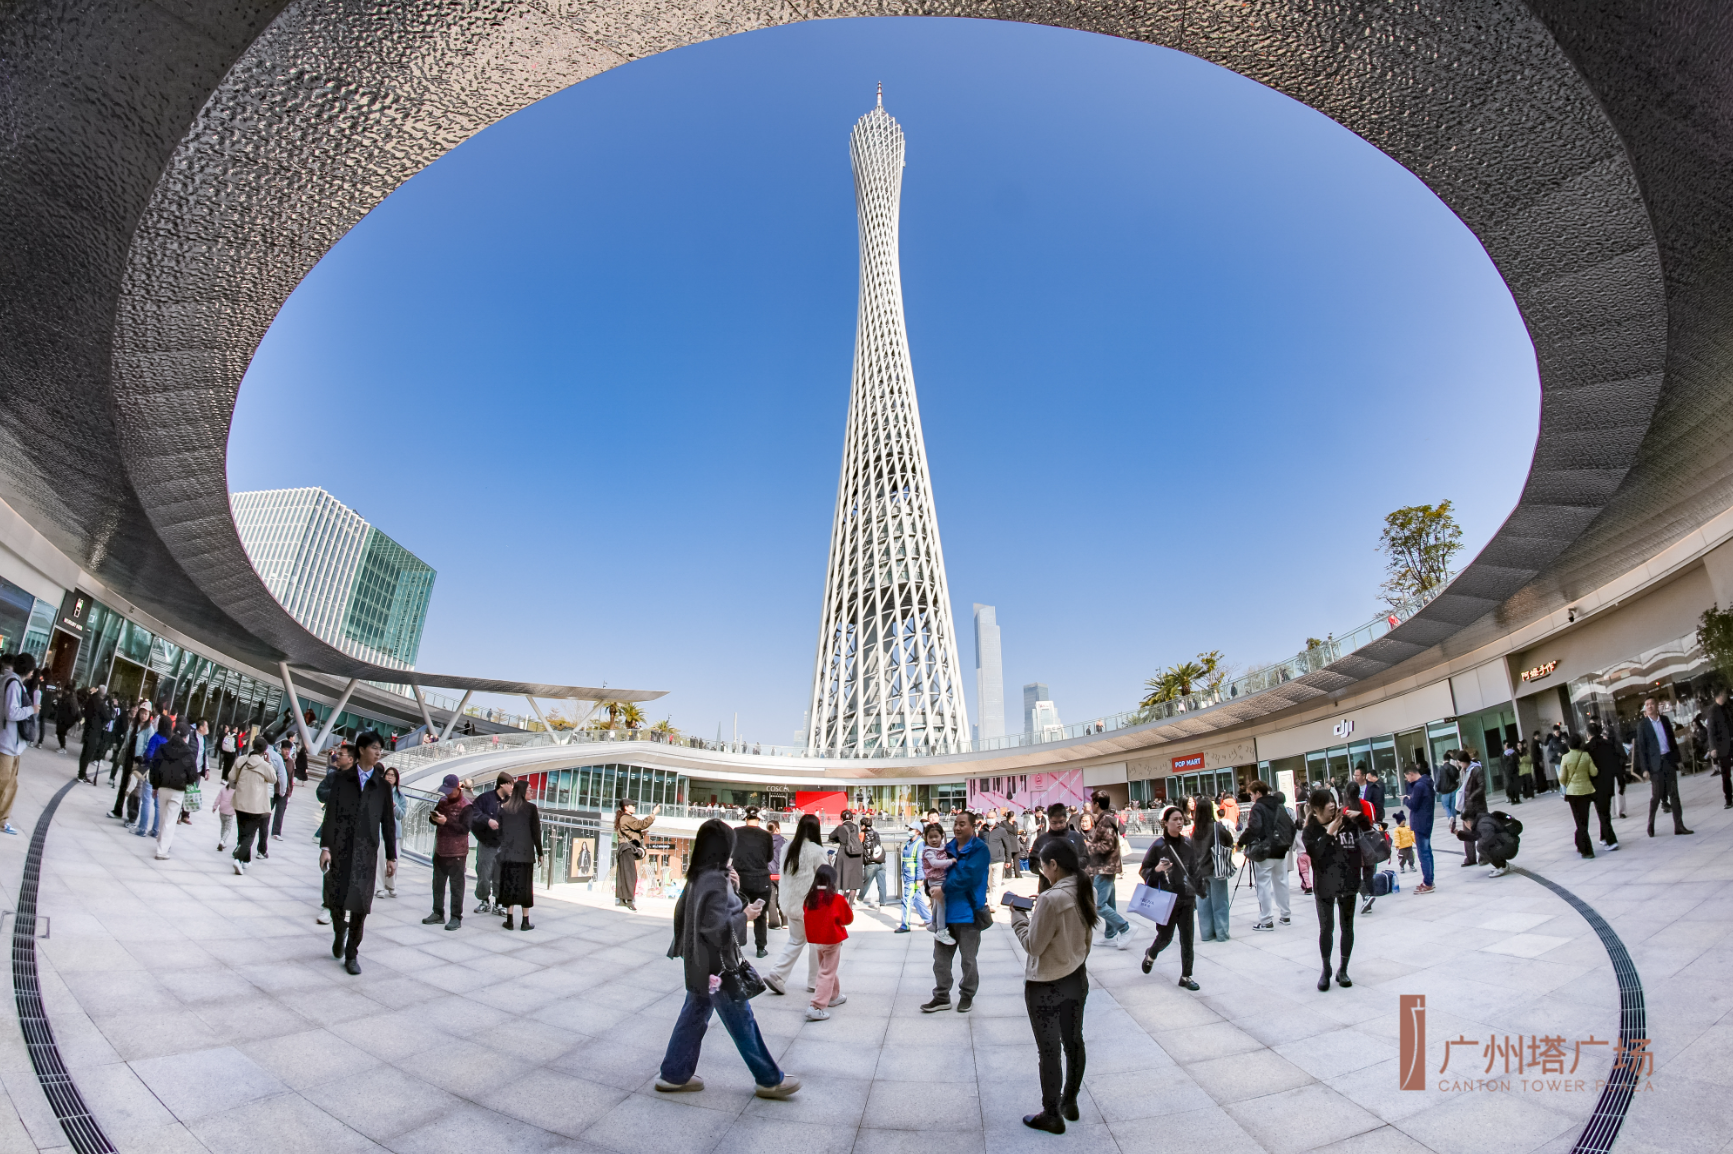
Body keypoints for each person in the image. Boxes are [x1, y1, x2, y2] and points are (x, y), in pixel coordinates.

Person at [656, 818, 800, 1099]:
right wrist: (745, 915)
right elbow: (715, 928)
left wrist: (734, 888)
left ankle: (674, 1074)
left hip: (699, 963)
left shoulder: (700, 875)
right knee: (741, 1020)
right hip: (718, 967)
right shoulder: (715, 879)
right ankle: (769, 1079)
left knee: (694, 1015)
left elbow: (689, 916)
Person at [1011, 838, 1095, 1135]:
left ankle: (1051, 1113)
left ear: (1054, 865)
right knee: (1074, 1042)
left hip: (1046, 983)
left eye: (1043, 867)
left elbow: (1034, 946)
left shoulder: (1050, 898)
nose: (1043, 873)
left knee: (1049, 1050)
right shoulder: (1085, 887)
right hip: (1076, 975)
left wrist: (1018, 918)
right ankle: (1069, 1101)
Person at [319, 731, 397, 973]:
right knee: (335, 899)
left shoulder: (383, 786)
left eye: (380, 749)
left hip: (366, 852)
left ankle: (352, 954)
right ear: (361, 749)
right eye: (374, 747)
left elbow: (388, 822)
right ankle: (339, 930)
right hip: (341, 849)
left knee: (361, 906)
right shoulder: (342, 779)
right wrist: (325, 847)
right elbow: (330, 814)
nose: (378, 752)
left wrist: (391, 855)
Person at [923, 810, 989, 1013]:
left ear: (973, 826)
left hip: (968, 914)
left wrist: (942, 889)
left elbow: (967, 876)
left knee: (968, 960)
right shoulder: (948, 847)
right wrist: (930, 887)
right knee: (940, 961)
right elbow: (935, 872)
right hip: (945, 915)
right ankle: (942, 996)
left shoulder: (980, 850)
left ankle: (967, 995)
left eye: (962, 824)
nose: (958, 827)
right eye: (956, 824)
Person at [1302, 788, 1361, 991]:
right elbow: (1316, 856)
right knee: (1326, 929)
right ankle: (1326, 969)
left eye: (1333, 800)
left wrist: (1361, 818)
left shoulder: (1348, 823)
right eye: (1327, 802)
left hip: (1348, 882)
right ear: (1317, 809)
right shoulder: (1310, 831)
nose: (1332, 805)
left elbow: (1362, 842)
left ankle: (1343, 969)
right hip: (1325, 885)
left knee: (1347, 928)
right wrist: (1329, 833)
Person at [1138, 806, 1199, 991]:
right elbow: (1144, 870)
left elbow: (1195, 870)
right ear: (1165, 822)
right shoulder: (1158, 846)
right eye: (1175, 819)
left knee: (1187, 939)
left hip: (1186, 899)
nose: (1179, 822)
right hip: (1166, 901)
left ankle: (1186, 976)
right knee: (1165, 937)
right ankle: (1151, 954)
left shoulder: (1188, 844)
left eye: (1181, 819)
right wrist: (1156, 870)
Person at [765, 814, 825, 996]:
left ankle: (777, 974)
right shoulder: (817, 851)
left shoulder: (787, 848)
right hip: (810, 905)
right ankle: (815, 982)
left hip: (790, 903)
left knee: (796, 940)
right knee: (816, 943)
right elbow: (825, 878)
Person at [1238, 779, 1294, 930]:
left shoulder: (1258, 807)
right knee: (1281, 882)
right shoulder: (1279, 806)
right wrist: (1287, 843)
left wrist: (1242, 841)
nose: (1250, 798)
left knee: (1263, 884)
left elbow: (1254, 827)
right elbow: (1291, 826)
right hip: (1281, 849)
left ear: (1258, 793)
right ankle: (1285, 915)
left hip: (1264, 851)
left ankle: (1266, 920)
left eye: (1251, 794)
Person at [802, 863, 853, 1021]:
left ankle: (834, 996)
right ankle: (816, 1006)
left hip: (817, 940)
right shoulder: (836, 899)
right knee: (827, 971)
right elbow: (848, 919)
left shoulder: (810, 898)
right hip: (832, 939)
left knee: (827, 968)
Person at [1635, 697, 1692, 837]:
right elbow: (1641, 749)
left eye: (1651, 704)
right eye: (1646, 705)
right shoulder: (1642, 725)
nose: (1649, 707)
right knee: (1656, 796)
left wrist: (1678, 760)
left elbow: (1672, 741)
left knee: (1674, 794)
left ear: (1657, 706)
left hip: (1668, 760)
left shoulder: (1665, 720)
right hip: (1655, 765)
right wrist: (1645, 769)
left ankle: (1679, 825)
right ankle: (1651, 823)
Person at [423, 774, 472, 930]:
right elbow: (435, 819)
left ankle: (456, 917)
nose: (447, 794)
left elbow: (464, 829)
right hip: (440, 849)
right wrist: (434, 818)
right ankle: (437, 912)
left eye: (450, 791)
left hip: (457, 852)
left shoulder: (466, 806)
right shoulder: (442, 801)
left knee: (456, 886)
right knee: (437, 884)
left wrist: (447, 822)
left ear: (458, 788)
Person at [1084, 794, 1131, 950]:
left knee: (1098, 905)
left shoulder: (1105, 821)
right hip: (1106, 867)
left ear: (1097, 804)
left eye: (1092, 802)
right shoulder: (1105, 819)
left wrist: (1088, 846)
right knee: (1109, 903)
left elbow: (1107, 845)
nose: (1091, 805)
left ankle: (1125, 928)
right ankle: (1110, 935)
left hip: (1105, 867)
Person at [0, 653, 39, 836]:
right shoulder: (13, 683)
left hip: (11, 744)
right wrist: (31, 709)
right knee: (4, 784)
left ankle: (3, 820)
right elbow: (11, 713)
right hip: (7, 743)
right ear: (29, 670)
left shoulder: (9, 681)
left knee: (11, 784)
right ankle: (1, 820)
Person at [148, 722, 198, 860]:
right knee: (170, 820)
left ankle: (161, 842)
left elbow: (155, 768)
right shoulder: (188, 753)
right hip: (178, 790)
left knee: (163, 817)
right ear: (186, 737)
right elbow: (193, 774)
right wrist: (189, 784)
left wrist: (155, 786)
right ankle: (162, 850)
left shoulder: (163, 748)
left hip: (163, 786)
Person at [497, 779, 541, 930]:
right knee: (525, 887)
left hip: (508, 854)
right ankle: (525, 921)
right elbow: (536, 833)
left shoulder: (505, 808)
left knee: (509, 885)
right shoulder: (531, 808)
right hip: (525, 854)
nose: (531, 792)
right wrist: (540, 853)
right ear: (523, 791)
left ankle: (509, 920)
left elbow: (500, 831)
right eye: (529, 789)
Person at [227, 737, 276, 875]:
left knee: (242, 830)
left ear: (253, 745)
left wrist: (235, 787)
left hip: (240, 800)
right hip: (256, 804)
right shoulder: (264, 765)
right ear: (265, 750)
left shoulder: (241, 760)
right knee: (250, 833)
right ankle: (238, 858)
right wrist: (268, 762)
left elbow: (231, 777)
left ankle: (246, 860)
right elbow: (273, 778)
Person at [733, 807, 776, 958]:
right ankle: (760, 948)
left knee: (738, 913)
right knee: (761, 915)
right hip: (761, 880)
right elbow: (769, 858)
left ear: (745, 818)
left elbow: (732, 853)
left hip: (741, 879)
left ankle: (736, 946)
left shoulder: (735, 832)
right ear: (759, 819)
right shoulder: (766, 836)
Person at [469, 772, 510, 913]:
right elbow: (473, 814)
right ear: (502, 784)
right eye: (510, 784)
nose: (512, 788)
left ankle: (499, 903)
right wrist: (487, 820)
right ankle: (484, 900)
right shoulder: (485, 799)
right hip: (486, 843)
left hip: (503, 845)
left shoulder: (511, 801)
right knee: (484, 874)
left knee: (501, 876)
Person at [1583, 723, 1623, 851]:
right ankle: (1603, 837)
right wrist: (1621, 781)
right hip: (1609, 781)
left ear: (1588, 734)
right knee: (1605, 810)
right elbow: (1616, 763)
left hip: (1595, 784)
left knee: (1603, 813)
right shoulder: (1608, 745)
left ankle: (1611, 840)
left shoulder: (1587, 748)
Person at [1031, 802, 1087, 893]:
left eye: (1061, 822)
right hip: (1047, 888)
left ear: (1066, 819)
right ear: (1049, 820)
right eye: (1054, 822)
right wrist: (1045, 868)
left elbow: (1085, 858)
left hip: (1072, 888)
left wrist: (1071, 864)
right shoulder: (1041, 840)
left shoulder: (1076, 837)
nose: (1058, 825)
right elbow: (1032, 863)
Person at [1558, 733, 1598, 858]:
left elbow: (1562, 778)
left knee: (1579, 822)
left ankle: (1586, 850)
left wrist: (1567, 784)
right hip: (1586, 790)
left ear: (1569, 745)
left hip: (1573, 793)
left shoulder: (1565, 757)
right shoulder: (1585, 755)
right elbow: (1594, 772)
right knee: (1584, 820)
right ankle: (1580, 844)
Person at [614, 799, 659, 910]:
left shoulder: (623, 818)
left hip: (623, 849)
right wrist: (653, 814)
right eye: (632, 806)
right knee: (630, 876)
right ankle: (629, 901)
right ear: (626, 807)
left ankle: (621, 900)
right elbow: (641, 824)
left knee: (623, 875)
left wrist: (640, 835)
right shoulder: (626, 818)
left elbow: (631, 832)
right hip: (627, 849)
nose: (634, 807)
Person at [1402, 763, 1436, 894]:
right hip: (1427, 821)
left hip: (1420, 823)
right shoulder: (1426, 783)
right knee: (1427, 851)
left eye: (1407, 777)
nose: (1407, 780)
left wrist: (1405, 799)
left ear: (1411, 774)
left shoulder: (1419, 786)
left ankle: (1428, 883)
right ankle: (1429, 880)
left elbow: (1413, 805)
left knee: (1423, 853)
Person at [919, 823, 954, 945]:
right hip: (936, 881)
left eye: (936, 836)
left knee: (936, 904)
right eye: (930, 837)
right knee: (941, 905)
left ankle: (933, 924)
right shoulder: (929, 851)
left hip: (941, 879)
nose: (934, 839)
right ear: (926, 838)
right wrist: (950, 862)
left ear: (942, 836)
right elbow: (934, 863)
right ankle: (941, 930)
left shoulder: (942, 847)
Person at [895, 825, 931, 933]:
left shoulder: (920, 844)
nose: (909, 831)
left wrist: (920, 878)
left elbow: (920, 862)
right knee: (916, 898)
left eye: (911, 829)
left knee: (906, 899)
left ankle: (905, 925)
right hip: (908, 875)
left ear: (918, 831)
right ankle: (929, 919)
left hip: (913, 877)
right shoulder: (909, 842)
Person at [378, 766, 406, 897]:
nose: (389, 777)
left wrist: (394, 805)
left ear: (396, 779)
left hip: (395, 832)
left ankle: (391, 885)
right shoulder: (378, 792)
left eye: (392, 775)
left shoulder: (400, 796)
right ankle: (379, 887)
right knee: (380, 860)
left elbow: (401, 815)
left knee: (394, 860)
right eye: (387, 774)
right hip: (380, 831)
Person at [1457, 752, 1487, 866]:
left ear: (1464, 761)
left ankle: (1484, 857)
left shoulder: (1476, 769)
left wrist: (1472, 797)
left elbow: (1482, 786)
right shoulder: (1463, 772)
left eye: (1460, 762)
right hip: (1467, 806)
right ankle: (1470, 858)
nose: (1459, 765)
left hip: (1477, 806)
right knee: (1467, 832)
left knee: (1480, 831)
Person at [827, 810, 864, 901]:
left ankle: (841, 903)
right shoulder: (856, 827)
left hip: (844, 854)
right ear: (852, 818)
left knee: (841, 878)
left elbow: (831, 836)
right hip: (857, 855)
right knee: (854, 882)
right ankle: (850, 905)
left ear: (841, 818)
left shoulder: (840, 828)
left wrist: (838, 839)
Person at [1709, 687, 1733, 810]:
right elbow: (1711, 731)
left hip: (1732, 742)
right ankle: (1728, 798)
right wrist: (1713, 747)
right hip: (1722, 747)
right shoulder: (1713, 711)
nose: (1726, 695)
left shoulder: (1727, 706)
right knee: (1726, 774)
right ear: (1720, 694)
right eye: (1724, 693)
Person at [857, 815, 887, 906]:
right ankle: (883, 903)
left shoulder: (862, 834)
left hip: (870, 863)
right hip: (881, 862)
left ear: (863, 826)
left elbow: (858, 846)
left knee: (866, 883)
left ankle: (859, 899)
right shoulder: (876, 833)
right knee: (882, 884)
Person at [1501, 739, 1523, 805]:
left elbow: (1503, 763)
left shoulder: (1504, 754)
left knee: (1510, 786)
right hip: (1515, 771)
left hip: (1508, 772)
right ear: (1512, 747)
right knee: (1516, 785)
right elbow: (1518, 762)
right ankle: (1517, 799)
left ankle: (1513, 800)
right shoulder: (1514, 753)